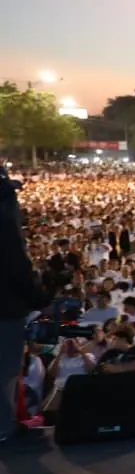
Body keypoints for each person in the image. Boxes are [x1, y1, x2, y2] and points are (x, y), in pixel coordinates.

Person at [0, 166, 46, 442]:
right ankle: (4, 429)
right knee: (4, 370)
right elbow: (17, 268)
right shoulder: (4, 225)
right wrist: (38, 297)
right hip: (4, 310)